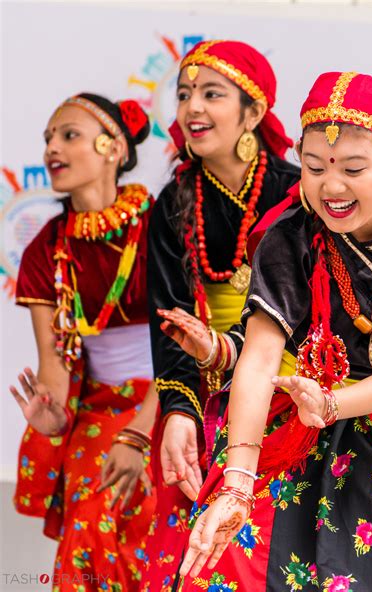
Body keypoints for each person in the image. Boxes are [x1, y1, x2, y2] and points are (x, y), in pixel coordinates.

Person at [177, 71, 372, 592]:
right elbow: (260, 360)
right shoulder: (289, 237)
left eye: (353, 168)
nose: (331, 186)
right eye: (313, 167)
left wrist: (330, 405)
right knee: (237, 569)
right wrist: (238, 484)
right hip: (286, 428)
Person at [143, 40, 300, 592]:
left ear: (253, 112)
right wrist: (179, 414)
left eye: (212, 94)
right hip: (206, 393)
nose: (192, 108)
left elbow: (306, 310)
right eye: (185, 94)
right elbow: (169, 324)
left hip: (287, 391)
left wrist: (229, 348)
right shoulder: (171, 205)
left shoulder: (298, 194)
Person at [10, 93, 158, 592]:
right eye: (48, 138)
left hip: (175, 401)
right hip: (96, 412)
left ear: (113, 147)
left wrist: (139, 434)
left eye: (67, 135)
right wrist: (53, 419)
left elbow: (188, 352)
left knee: (166, 523)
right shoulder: (45, 250)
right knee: (92, 515)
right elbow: (53, 370)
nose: (52, 147)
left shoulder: (163, 228)